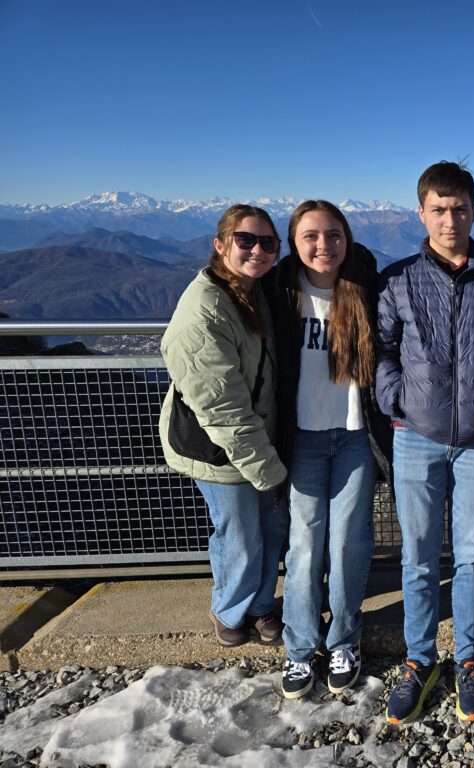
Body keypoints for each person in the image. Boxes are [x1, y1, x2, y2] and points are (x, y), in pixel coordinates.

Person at [376, 162, 474, 723]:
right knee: (419, 558)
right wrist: (396, 400)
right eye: (439, 209)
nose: (450, 219)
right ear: (421, 212)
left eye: (460, 209)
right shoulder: (397, 279)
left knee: (472, 555)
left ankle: (469, 658)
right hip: (415, 437)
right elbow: (379, 349)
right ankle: (420, 659)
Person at [263, 200, 390, 699]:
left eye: (333, 235)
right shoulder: (278, 291)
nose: (323, 246)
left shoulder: (363, 286)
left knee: (347, 544)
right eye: (311, 236)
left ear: (348, 238)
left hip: (356, 433)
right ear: (294, 241)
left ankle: (343, 640)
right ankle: (299, 648)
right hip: (302, 437)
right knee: (305, 546)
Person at [159, 204, 287, 648]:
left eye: (267, 242)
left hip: (256, 437)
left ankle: (260, 606)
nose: (257, 249)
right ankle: (229, 610)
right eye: (245, 240)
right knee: (240, 533)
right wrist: (268, 471)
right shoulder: (204, 311)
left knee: (269, 527)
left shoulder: (251, 291)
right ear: (220, 244)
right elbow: (223, 409)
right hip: (217, 447)